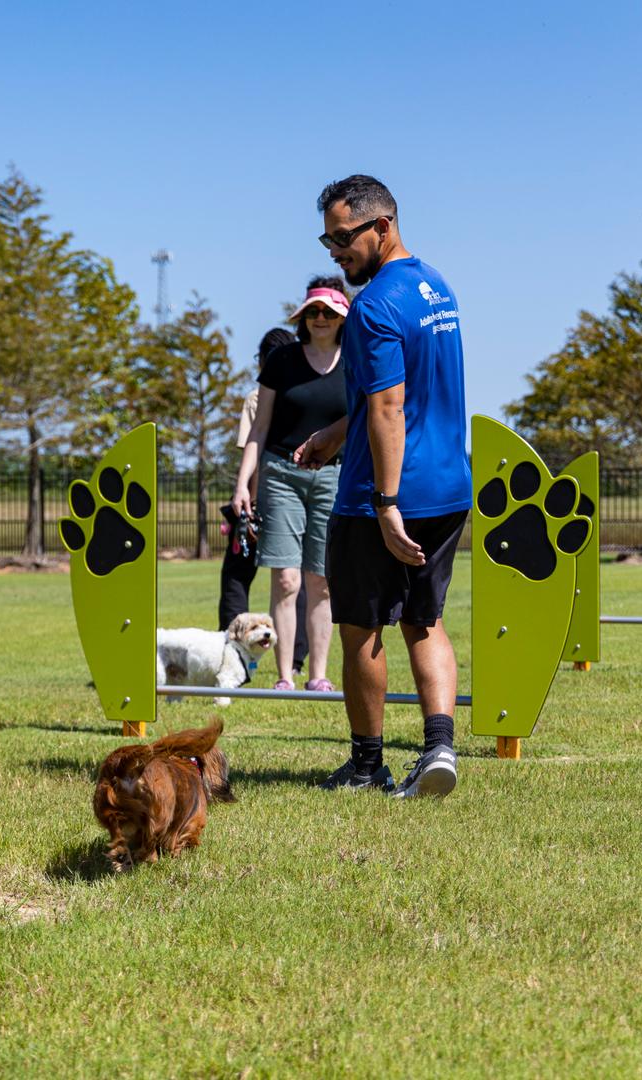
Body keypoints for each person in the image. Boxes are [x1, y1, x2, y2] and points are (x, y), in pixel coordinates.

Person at [293, 175, 471, 799]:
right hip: (449, 485)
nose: (335, 251)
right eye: (328, 238)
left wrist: (386, 503)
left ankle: (368, 767)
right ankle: (439, 749)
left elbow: (391, 406)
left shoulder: (372, 306)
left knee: (361, 627)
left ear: (382, 227)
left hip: (387, 496)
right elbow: (397, 393)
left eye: (344, 237)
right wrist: (338, 435)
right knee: (426, 620)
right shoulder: (436, 288)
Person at [232, 277, 350, 692]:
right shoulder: (282, 361)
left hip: (333, 477)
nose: (321, 319)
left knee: (321, 580)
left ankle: (318, 675)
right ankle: (285, 676)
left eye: (330, 312)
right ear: (303, 317)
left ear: (342, 318)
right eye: (313, 312)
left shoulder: (356, 360)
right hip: (281, 475)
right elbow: (258, 429)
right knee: (286, 580)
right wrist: (243, 483)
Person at [219, 328, 308, 674]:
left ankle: (230, 646)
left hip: (262, 503)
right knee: (295, 579)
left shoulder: (258, 397)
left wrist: (246, 500)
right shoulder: (306, 393)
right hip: (300, 501)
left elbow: (252, 449)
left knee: (237, 578)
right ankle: (297, 659)